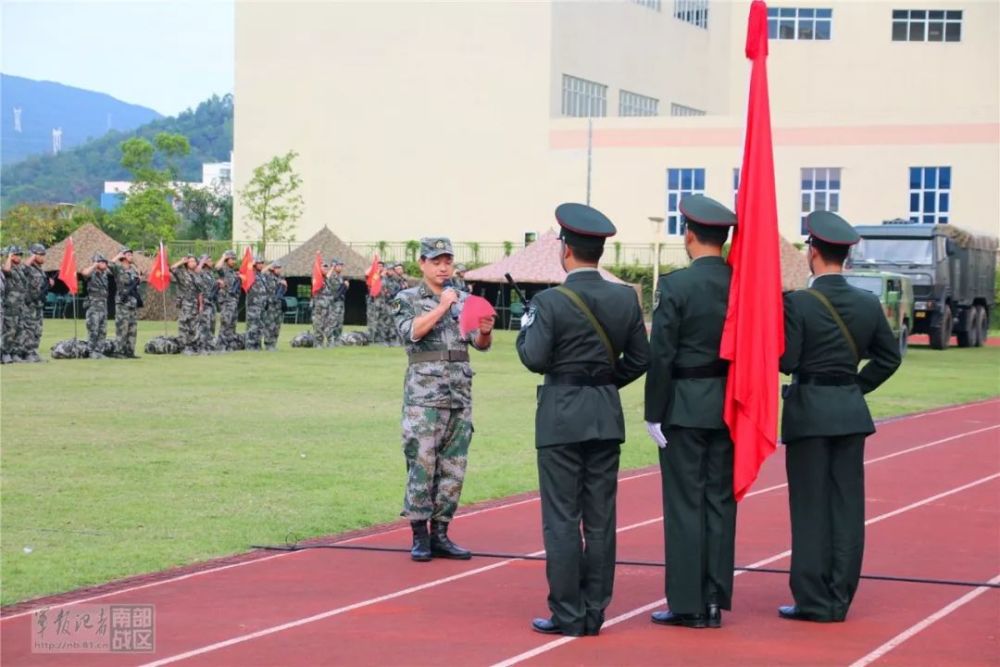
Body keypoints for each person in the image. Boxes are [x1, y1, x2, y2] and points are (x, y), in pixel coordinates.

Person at [515, 203, 650, 637]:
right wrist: (606, 382)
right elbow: (642, 358)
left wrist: (525, 329)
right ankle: (594, 610)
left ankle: (567, 612)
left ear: (566, 250)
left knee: (561, 517)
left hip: (560, 417)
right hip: (604, 415)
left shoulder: (550, 301)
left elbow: (534, 359)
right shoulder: (624, 298)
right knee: (600, 519)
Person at [778, 210, 901, 623]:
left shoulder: (798, 303)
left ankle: (812, 598)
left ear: (812, 252)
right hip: (849, 412)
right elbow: (888, 357)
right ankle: (839, 595)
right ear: (845, 256)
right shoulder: (867, 303)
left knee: (811, 508)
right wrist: (856, 388)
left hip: (809, 413)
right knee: (847, 509)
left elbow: (788, 359)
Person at [644, 195, 738, 629]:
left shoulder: (678, 286)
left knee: (685, 506)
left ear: (690, 234)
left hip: (683, 406)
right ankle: (715, 599)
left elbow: (661, 355)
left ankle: (688, 603)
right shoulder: (741, 284)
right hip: (729, 404)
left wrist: (653, 412)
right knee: (719, 503)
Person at [391, 237, 494, 562]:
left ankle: (442, 533)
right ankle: (419, 536)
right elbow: (411, 333)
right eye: (436, 261)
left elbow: (479, 344)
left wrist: (486, 330)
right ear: (421, 263)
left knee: (453, 467)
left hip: (459, 395)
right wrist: (442, 306)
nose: (443, 267)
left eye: (447, 260)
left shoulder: (466, 299)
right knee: (422, 465)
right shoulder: (407, 298)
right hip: (425, 398)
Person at [18, 243, 53, 363]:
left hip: (38, 304)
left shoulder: (41, 271)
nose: (43, 257)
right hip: (29, 305)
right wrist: (32, 256)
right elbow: (23, 268)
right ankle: (26, 353)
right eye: (41, 254)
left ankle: (33, 352)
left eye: (44, 254)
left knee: (37, 329)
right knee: (29, 329)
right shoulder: (28, 267)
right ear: (34, 255)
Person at [110, 247, 142, 358]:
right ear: (123, 257)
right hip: (122, 302)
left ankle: (130, 351)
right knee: (122, 327)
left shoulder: (133, 270)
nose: (131, 256)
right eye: (128, 254)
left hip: (132, 302)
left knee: (132, 328)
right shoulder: (118, 269)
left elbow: (137, 284)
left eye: (131, 254)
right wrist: (118, 255)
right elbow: (110, 264)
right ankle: (119, 352)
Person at [81, 253, 112, 358]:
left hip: (103, 307)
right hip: (94, 307)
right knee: (93, 330)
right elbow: (84, 273)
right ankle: (90, 351)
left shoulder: (104, 274)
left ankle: (99, 351)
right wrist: (94, 265)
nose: (105, 264)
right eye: (102, 262)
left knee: (102, 331)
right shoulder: (91, 273)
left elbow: (113, 265)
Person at [170, 254, 201, 354]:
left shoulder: (197, 275)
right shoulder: (182, 273)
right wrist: (181, 261)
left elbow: (200, 291)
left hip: (194, 303)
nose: (193, 263)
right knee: (184, 324)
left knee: (194, 325)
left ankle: (192, 346)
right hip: (185, 303)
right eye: (191, 261)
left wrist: (201, 305)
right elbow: (172, 268)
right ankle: (183, 346)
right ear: (187, 263)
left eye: (194, 261)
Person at [1, 245, 26, 364]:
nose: (19, 257)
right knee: (9, 330)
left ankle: (14, 353)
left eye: (20, 255)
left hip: (20, 305)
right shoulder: (6, 267)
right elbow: (6, 270)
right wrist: (9, 257)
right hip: (10, 305)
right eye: (17, 254)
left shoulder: (19, 269)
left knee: (19, 329)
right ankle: (5, 353)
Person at [215, 251, 241, 351]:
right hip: (226, 301)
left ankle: (229, 345)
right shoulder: (224, 270)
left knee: (232, 324)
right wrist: (223, 256)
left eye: (235, 259)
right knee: (226, 323)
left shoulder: (233, 272)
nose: (234, 261)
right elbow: (217, 267)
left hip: (233, 301)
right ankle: (221, 346)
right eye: (232, 259)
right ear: (227, 260)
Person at [244, 256, 269, 351]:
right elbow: (246, 271)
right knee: (252, 326)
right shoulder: (251, 274)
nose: (261, 265)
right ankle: (250, 345)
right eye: (259, 263)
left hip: (261, 304)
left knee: (260, 325)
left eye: (262, 263)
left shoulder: (261, 275)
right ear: (254, 264)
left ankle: (257, 345)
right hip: (253, 305)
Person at [263, 261, 287, 351]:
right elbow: (262, 272)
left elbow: (282, 292)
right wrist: (270, 265)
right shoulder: (268, 276)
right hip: (271, 305)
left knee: (277, 326)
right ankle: (268, 344)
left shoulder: (281, 278)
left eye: (280, 268)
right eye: (277, 268)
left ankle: (273, 344)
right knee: (270, 325)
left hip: (279, 305)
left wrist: (284, 285)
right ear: (273, 269)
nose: (279, 270)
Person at [312, 260, 334, 346]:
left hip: (327, 306)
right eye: (324, 267)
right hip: (320, 307)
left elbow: (328, 275)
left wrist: (332, 268)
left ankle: (329, 342)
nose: (326, 269)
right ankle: (318, 343)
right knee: (319, 324)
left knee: (329, 324)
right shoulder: (318, 279)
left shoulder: (326, 279)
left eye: (326, 267)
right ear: (319, 269)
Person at [329, 259, 349, 345]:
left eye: (341, 266)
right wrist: (344, 285)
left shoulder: (341, 277)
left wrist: (345, 287)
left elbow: (342, 291)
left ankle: (338, 339)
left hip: (340, 302)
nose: (341, 267)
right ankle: (331, 339)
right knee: (334, 321)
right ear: (334, 266)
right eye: (339, 266)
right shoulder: (332, 276)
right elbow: (335, 289)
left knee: (340, 321)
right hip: (334, 302)